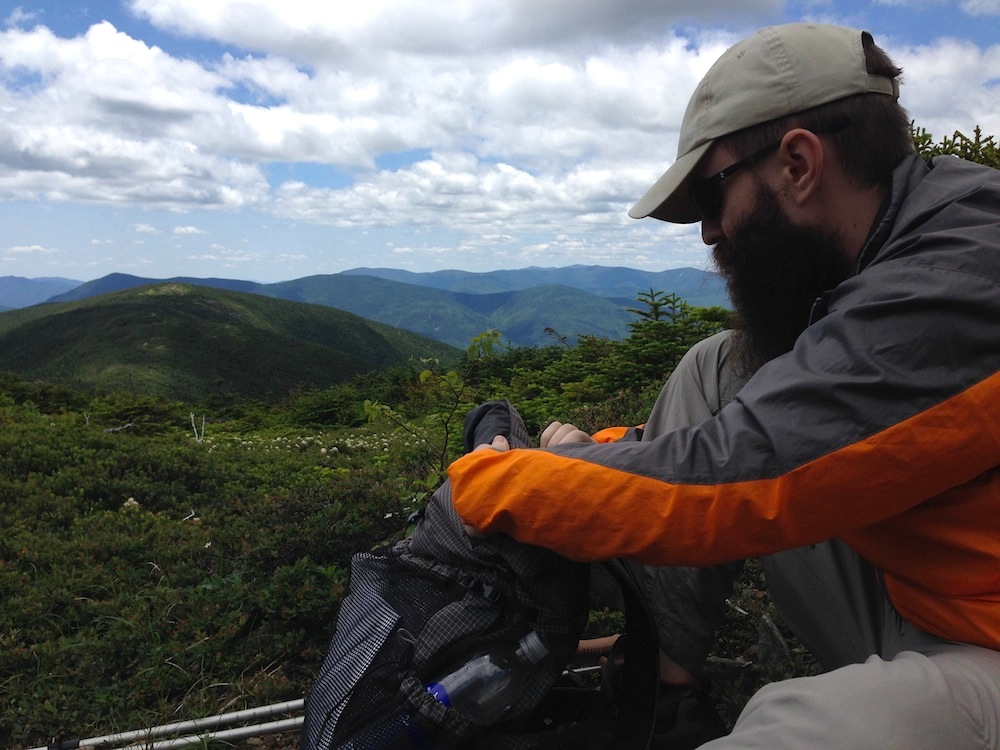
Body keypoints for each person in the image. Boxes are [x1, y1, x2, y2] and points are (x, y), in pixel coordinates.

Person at [449, 22, 1000, 749]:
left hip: (981, 638)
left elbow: (742, 473)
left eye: (712, 195)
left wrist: (495, 481)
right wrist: (618, 450)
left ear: (799, 164)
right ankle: (662, 689)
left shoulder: (958, 272)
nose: (709, 232)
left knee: (789, 729)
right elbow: (806, 416)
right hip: (932, 587)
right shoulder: (894, 241)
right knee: (721, 363)